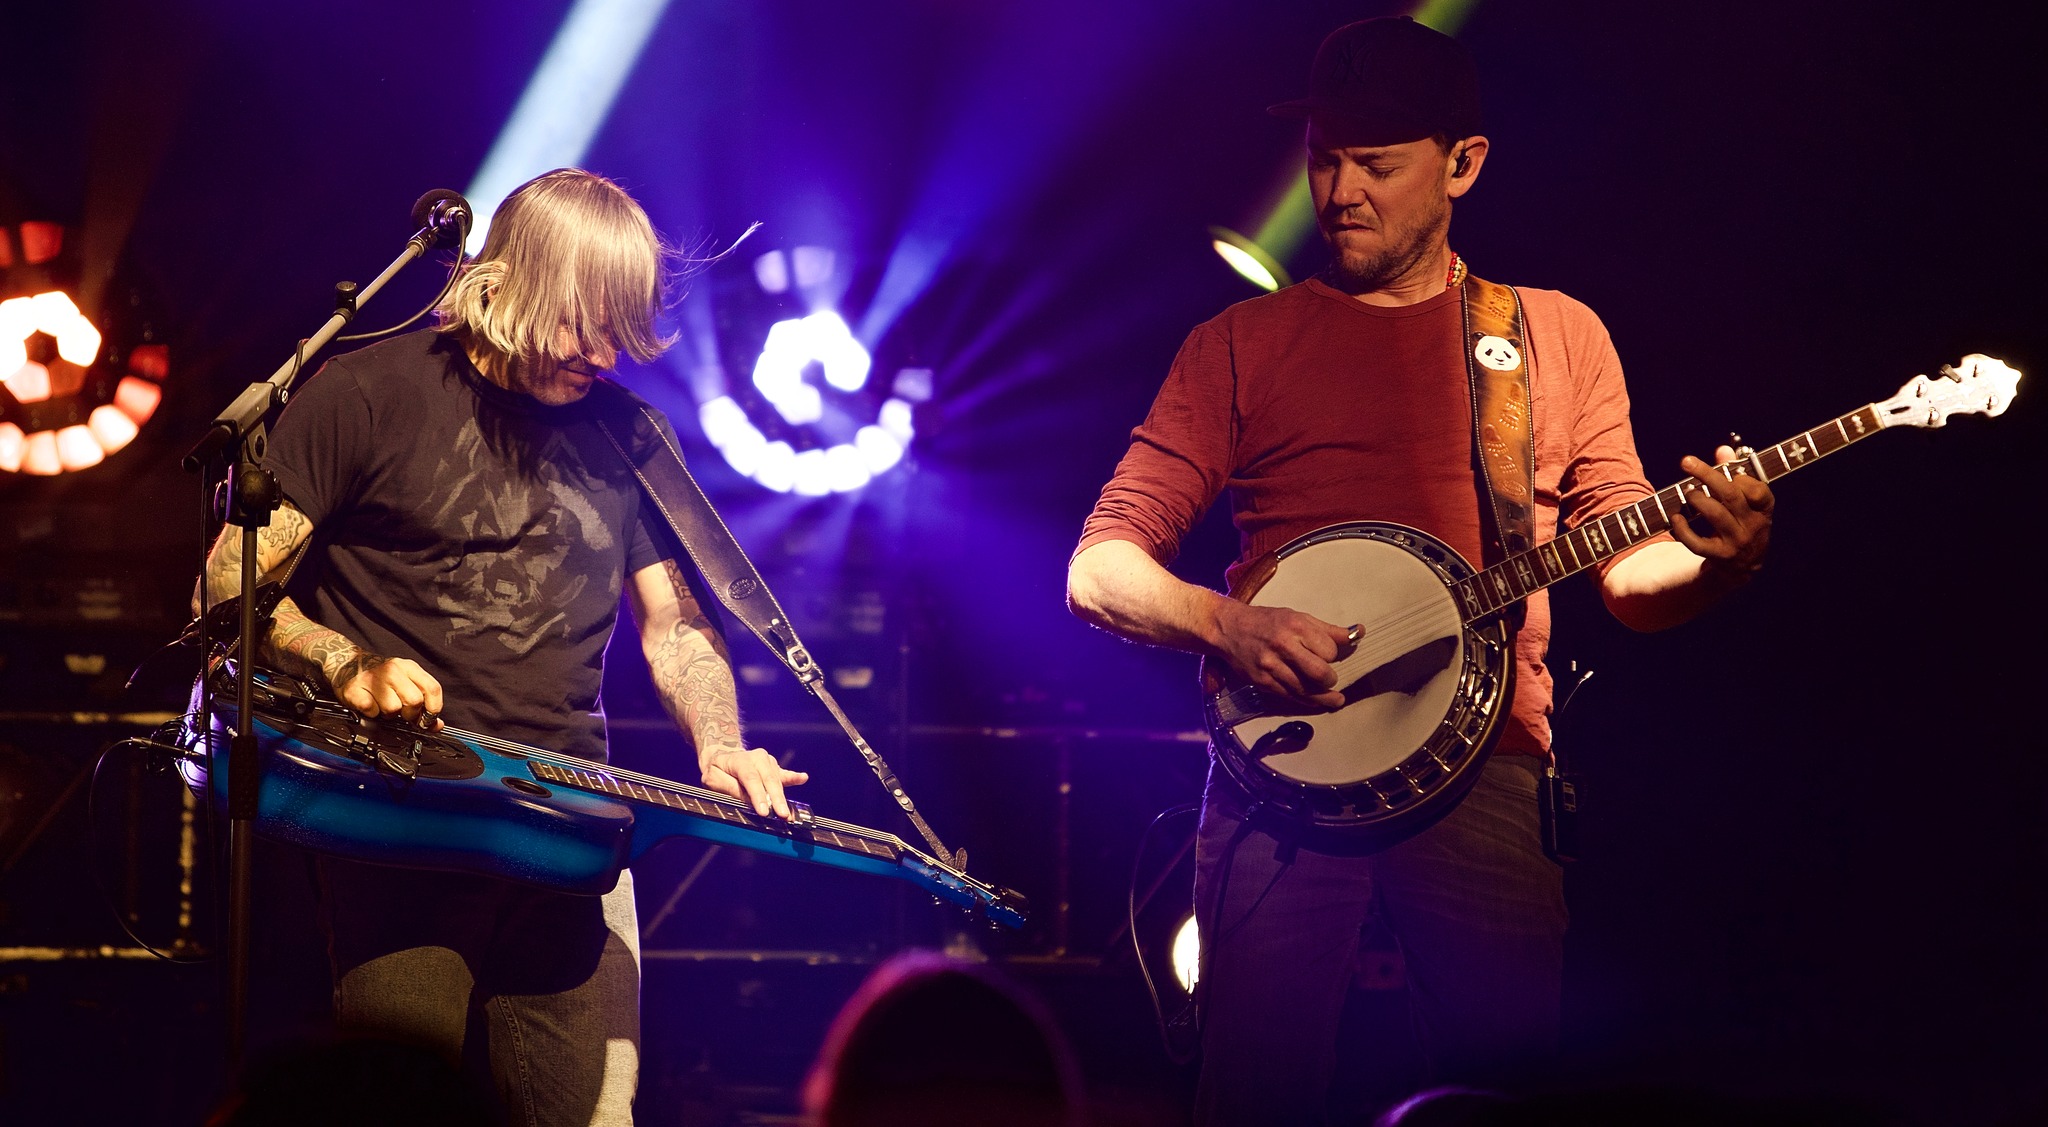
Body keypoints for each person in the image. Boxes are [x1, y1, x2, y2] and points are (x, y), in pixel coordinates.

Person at [1065, 18, 1774, 1125]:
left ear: (1461, 163)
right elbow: (1098, 569)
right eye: (1323, 158)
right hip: (1279, 787)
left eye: (1376, 163)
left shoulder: (1551, 336)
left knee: (1502, 1098)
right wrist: (1230, 626)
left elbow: (1627, 574)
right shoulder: (1237, 343)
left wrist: (1716, 567)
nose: (1339, 191)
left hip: (1492, 768)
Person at [196, 168, 808, 1126]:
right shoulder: (367, 391)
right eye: (581, 321)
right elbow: (225, 588)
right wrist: (347, 663)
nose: (603, 351)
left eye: (622, 326)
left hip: (569, 834)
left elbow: (677, 623)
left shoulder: (630, 435)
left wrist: (719, 743)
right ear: (501, 282)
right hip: (403, 820)